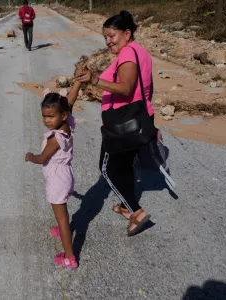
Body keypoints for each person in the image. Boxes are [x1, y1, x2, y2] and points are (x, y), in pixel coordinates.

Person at [76, 10, 154, 236]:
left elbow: (127, 88)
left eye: (112, 35)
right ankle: (124, 205)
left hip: (122, 123)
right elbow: (147, 88)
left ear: (127, 33)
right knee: (123, 166)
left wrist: (95, 80)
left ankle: (136, 212)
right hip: (137, 120)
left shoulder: (128, 54)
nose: (108, 41)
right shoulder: (141, 53)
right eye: (105, 37)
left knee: (107, 168)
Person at [25, 82, 82, 268]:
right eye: (44, 116)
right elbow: (70, 100)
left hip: (58, 179)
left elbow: (42, 158)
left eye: (51, 116)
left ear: (62, 114)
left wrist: (30, 156)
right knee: (62, 213)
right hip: (65, 175)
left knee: (63, 218)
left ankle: (69, 257)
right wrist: (79, 83)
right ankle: (61, 229)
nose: (47, 120)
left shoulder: (55, 137)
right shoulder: (68, 124)